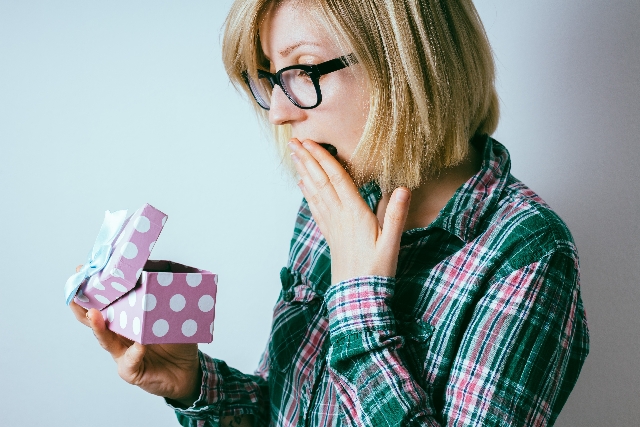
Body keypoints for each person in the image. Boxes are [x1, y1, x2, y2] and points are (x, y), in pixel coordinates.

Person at [70, 0, 590, 425]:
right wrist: (193, 384)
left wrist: (358, 301)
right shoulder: (329, 205)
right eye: (271, 78)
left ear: (408, 63)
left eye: (300, 71)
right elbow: (291, 410)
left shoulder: (527, 254)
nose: (277, 110)